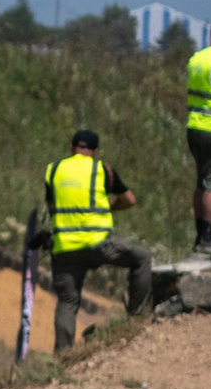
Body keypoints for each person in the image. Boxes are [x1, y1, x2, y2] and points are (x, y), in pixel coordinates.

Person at [43, 128, 154, 353]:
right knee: (141, 257)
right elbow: (129, 200)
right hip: (98, 243)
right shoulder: (102, 170)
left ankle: (62, 356)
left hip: (65, 248)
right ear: (95, 151)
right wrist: (111, 207)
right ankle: (137, 319)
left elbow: (52, 208)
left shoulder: (53, 171)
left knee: (67, 302)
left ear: (71, 148)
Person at [189, 28, 211, 258]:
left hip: (195, 125)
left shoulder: (198, 58)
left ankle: (200, 234)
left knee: (202, 181)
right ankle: (208, 238)